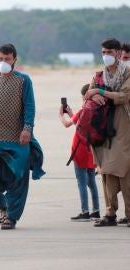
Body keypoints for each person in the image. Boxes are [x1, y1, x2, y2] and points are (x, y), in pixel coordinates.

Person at [0, 43, 45, 230]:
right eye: (0, 59)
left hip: (17, 138)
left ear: (14, 59)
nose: (3, 62)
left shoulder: (23, 80)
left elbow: (30, 106)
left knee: (18, 176)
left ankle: (11, 216)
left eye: (7, 59)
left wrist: (27, 128)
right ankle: (3, 206)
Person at [84, 38, 130, 227]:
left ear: (118, 53)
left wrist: (99, 92)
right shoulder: (99, 75)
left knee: (125, 169)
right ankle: (110, 212)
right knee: (105, 170)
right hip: (103, 126)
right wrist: (94, 92)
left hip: (123, 123)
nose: (106, 56)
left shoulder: (127, 72)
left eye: (109, 52)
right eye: (103, 52)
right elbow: (88, 93)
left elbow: (124, 96)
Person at [58, 84, 100, 221]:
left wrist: (61, 115)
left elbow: (67, 124)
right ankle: (96, 210)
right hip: (91, 151)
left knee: (81, 182)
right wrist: (71, 114)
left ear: (85, 96)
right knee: (92, 182)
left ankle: (85, 211)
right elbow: (83, 127)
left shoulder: (83, 111)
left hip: (79, 151)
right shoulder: (96, 111)